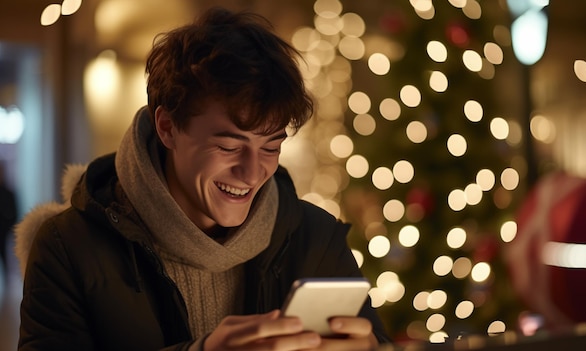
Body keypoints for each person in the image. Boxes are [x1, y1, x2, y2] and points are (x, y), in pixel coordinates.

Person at [14, 6, 390, 351]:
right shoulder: (66, 247)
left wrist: (373, 348)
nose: (252, 172)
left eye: (270, 147)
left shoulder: (316, 237)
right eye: (228, 146)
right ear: (168, 128)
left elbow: (376, 342)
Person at [0, 161, 17, 283]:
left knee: (4, 255)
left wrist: (8, 225)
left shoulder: (9, 193)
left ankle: (7, 281)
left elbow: (14, 212)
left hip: (3, 229)